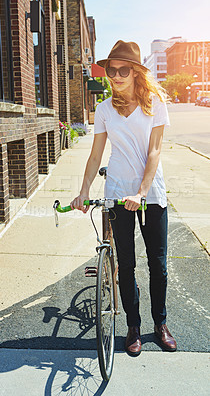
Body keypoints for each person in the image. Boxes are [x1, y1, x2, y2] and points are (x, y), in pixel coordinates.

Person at [70, 40, 177, 356]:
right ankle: (133, 326)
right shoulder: (104, 109)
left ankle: (160, 323)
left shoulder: (155, 102)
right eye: (110, 70)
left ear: (136, 72)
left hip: (151, 193)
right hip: (117, 193)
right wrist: (84, 191)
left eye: (122, 70)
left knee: (158, 265)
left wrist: (142, 191)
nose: (115, 75)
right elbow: (95, 156)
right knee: (126, 265)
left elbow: (154, 151)